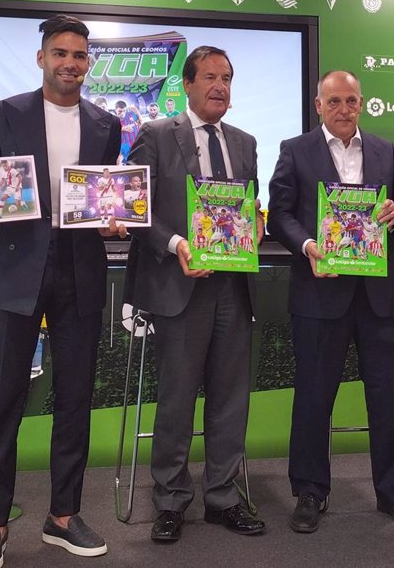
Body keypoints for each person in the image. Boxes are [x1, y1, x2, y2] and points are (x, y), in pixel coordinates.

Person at [0, 14, 123, 568]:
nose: (70, 64)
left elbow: (103, 198)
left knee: (75, 399)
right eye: (60, 53)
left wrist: (111, 220)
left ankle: (63, 516)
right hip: (15, 271)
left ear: (87, 63)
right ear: (42, 58)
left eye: (79, 55)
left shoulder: (105, 124)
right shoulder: (4, 114)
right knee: (2, 401)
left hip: (81, 272)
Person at [267, 70, 394, 534]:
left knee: (389, 397)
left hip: (381, 296)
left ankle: (392, 491)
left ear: (362, 104)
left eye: (351, 101)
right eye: (333, 101)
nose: (343, 109)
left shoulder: (382, 150)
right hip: (320, 292)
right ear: (318, 105)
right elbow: (279, 215)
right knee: (314, 398)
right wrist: (309, 246)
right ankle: (311, 492)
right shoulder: (295, 150)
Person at [124, 45, 265, 542]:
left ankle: (223, 497)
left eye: (226, 77)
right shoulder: (156, 134)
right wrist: (178, 243)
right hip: (179, 286)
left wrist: (257, 224)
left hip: (233, 287)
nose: (219, 86)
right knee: (177, 400)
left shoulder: (245, 142)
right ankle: (170, 501)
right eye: (209, 77)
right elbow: (135, 211)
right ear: (186, 84)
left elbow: (251, 206)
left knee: (230, 400)